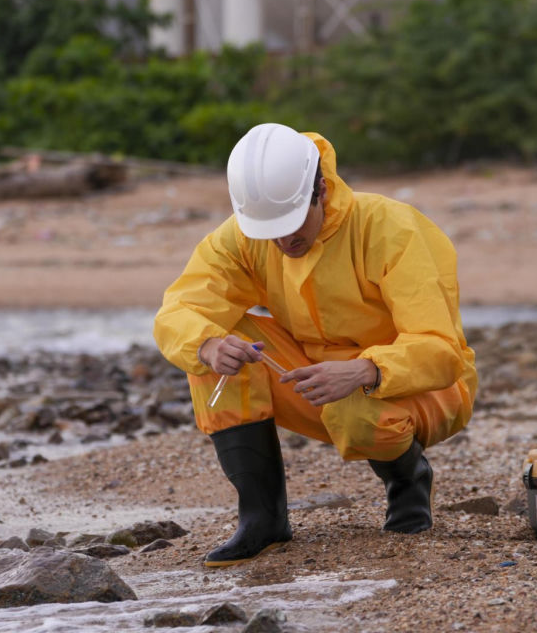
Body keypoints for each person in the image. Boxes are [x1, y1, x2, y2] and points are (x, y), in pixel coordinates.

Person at [154, 123, 477, 567]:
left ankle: (407, 481)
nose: (285, 241)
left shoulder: (390, 227)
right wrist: (207, 346)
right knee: (212, 343)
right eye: (271, 231)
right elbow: (179, 309)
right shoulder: (243, 237)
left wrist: (365, 369)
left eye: (292, 224)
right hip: (312, 382)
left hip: (422, 389)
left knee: (356, 408)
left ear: (321, 190)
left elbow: (443, 352)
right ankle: (262, 519)